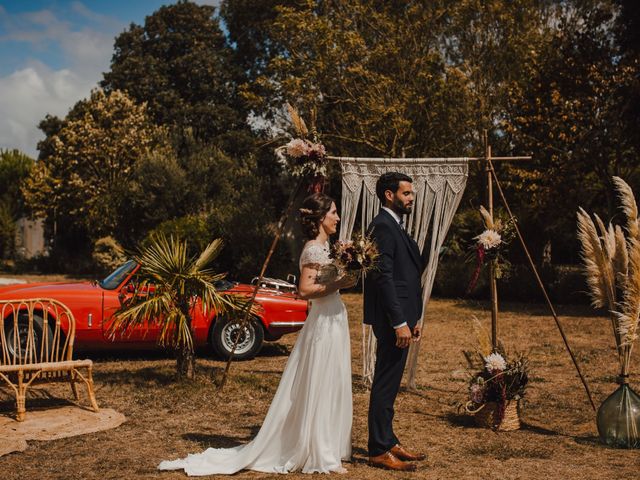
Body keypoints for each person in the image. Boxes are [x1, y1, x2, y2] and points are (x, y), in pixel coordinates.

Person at [158, 192, 357, 476]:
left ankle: (328, 442)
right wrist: (339, 284)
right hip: (323, 321)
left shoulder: (328, 249)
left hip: (334, 317)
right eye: (333, 212)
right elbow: (304, 291)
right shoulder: (313, 249)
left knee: (332, 378)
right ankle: (317, 449)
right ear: (320, 217)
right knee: (319, 379)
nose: (337, 217)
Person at [364, 172, 427, 472]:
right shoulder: (383, 227)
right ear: (389, 195)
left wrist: (414, 317)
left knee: (390, 384)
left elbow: (408, 277)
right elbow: (383, 277)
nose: (411, 197)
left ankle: (388, 440)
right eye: (406, 193)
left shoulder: (396, 226)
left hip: (403, 317)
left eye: (411, 193)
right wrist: (399, 321)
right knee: (385, 383)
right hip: (393, 320)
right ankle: (378, 449)